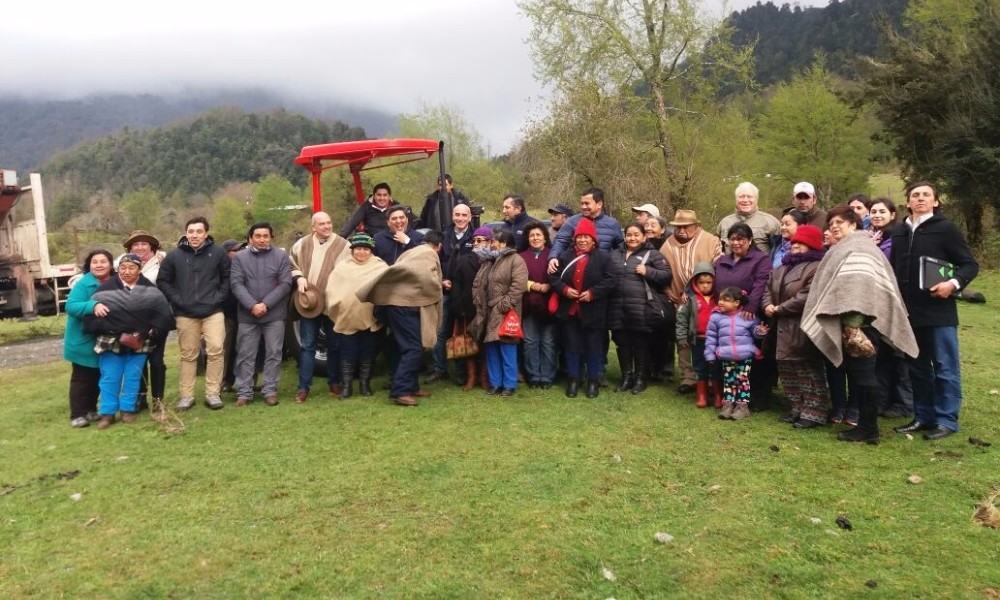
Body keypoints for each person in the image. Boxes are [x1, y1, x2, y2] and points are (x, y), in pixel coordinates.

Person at [803, 204, 918, 444]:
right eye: (831, 223)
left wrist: (853, 326)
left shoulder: (859, 248)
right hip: (853, 324)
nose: (834, 227)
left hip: (862, 326)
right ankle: (867, 426)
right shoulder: (847, 246)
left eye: (840, 223)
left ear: (854, 224)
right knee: (860, 376)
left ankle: (868, 429)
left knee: (864, 377)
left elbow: (858, 291)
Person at [890, 182, 979, 440]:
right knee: (917, 368)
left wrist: (951, 284)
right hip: (909, 312)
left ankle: (947, 420)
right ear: (907, 202)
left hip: (939, 311)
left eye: (926, 195)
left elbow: (969, 265)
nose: (920, 199)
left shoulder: (945, 229)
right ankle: (923, 416)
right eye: (915, 195)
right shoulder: (899, 232)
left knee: (945, 366)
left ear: (935, 202)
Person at [85, 254, 173, 429]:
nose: (127, 271)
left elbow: (163, 316)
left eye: (131, 268)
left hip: (139, 343)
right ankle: (108, 414)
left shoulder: (152, 291)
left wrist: (152, 330)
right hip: (110, 343)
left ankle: (127, 410)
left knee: (133, 377)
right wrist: (114, 330)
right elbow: (91, 318)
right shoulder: (103, 292)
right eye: (123, 268)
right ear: (118, 269)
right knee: (110, 377)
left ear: (139, 269)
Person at [157, 216, 230, 412]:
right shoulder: (174, 256)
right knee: (188, 354)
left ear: (206, 233)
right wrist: (179, 301)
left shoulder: (218, 253)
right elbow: (163, 281)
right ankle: (186, 396)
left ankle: (213, 394)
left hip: (213, 310)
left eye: (199, 231)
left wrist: (218, 298)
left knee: (216, 350)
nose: (195, 235)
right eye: (191, 231)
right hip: (185, 313)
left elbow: (227, 278)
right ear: (186, 232)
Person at [356, 243, 443, 406]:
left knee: (400, 345)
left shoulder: (411, 253)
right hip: (405, 307)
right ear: (438, 246)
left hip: (395, 305)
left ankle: (411, 386)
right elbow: (425, 277)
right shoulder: (429, 254)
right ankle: (400, 391)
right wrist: (437, 288)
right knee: (414, 348)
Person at [761, 224, 829, 428]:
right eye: (794, 242)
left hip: (802, 326)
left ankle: (814, 413)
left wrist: (780, 308)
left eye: (801, 243)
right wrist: (767, 306)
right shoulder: (781, 267)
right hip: (779, 327)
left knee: (807, 370)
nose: (795, 246)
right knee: (787, 370)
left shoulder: (816, 268)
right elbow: (767, 288)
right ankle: (796, 408)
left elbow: (807, 296)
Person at [548, 218, 617, 398]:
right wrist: (564, 289)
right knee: (572, 346)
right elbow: (554, 278)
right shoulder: (565, 256)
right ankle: (573, 379)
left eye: (587, 237)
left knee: (594, 347)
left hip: (594, 311)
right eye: (580, 237)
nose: (583, 240)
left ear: (593, 240)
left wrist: (593, 293)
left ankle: (593, 380)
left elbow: (611, 280)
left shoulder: (603, 257)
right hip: (570, 311)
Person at [288, 211, 351, 403]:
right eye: (322, 224)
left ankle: (334, 382)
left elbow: (349, 269)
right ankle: (303, 388)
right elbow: (291, 264)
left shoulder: (343, 245)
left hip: (332, 303)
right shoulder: (302, 244)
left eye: (329, 223)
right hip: (310, 303)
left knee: (335, 345)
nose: (326, 226)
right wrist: (299, 279)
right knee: (307, 346)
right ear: (313, 227)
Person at [230, 222, 293, 406]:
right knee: (245, 354)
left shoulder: (281, 256)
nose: (262, 239)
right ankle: (244, 392)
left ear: (271, 237)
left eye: (265, 236)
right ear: (251, 238)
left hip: (274, 314)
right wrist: (252, 305)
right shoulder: (240, 258)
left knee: (273, 353)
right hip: (248, 314)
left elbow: (285, 284)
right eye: (258, 236)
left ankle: (270, 390)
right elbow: (236, 284)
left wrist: (265, 304)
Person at [659, 209, 722, 392]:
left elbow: (720, 268)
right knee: (683, 339)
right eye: (677, 227)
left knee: (708, 338)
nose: (681, 230)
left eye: (685, 227)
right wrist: (666, 289)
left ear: (696, 226)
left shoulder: (711, 241)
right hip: (680, 300)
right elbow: (661, 271)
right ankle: (688, 377)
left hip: (707, 299)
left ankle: (709, 377)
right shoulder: (667, 245)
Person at [714, 222, 773, 411]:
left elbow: (762, 282)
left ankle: (755, 397)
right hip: (726, 314)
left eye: (741, 239)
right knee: (729, 358)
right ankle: (730, 396)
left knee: (750, 358)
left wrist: (753, 305)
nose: (736, 243)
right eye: (732, 239)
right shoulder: (722, 260)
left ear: (749, 241)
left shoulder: (760, 259)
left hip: (748, 315)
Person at [607, 222, 672, 394]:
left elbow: (666, 276)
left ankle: (640, 379)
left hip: (641, 307)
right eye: (629, 234)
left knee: (640, 344)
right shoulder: (615, 255)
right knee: (622, 343)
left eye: (636, 234)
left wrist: (648, 271)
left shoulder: (653, 254)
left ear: (644, 236)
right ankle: (626, 377)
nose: (632, 238)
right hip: (617, 307)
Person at [866, 197, 914, 418]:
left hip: (896, 301)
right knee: (881, 355)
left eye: (882, 211)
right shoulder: (871, 236)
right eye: (873, 211)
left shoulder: (898, 238)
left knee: (899, 354)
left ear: (892, 214)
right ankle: (881, 401)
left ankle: (904, 402)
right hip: (875, 302)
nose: (877, 215)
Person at [326, 233, 389, 398]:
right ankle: (347, 386)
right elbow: (332, 290)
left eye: (366, 249)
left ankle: (364, 384)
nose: (362, 252)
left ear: (371, 250)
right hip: (348, 318)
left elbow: (387, 289)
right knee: (348, 353)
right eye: (359, 249)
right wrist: (339, 306)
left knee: (367, 352)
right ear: (353, 250)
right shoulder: (342, 267)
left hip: (370, 318)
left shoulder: (380, 267)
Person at [471, 229, 528, 396]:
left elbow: (518, 287)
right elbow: (478, 282)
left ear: (503, 243)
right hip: (488, 311)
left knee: (507, 346)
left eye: (494, 240)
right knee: (491, 348)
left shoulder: (516, 260)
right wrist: (478, 300)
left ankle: (509, 384)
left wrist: (504, 305)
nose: (491, 243)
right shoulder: (490, 260)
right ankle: (495, 383)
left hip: (505, 311)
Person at [117, 230, 169, 410]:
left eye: (143, 244)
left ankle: (158, 399)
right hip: (133, 320)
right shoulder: (122, 263)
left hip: (157, 318)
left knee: (156, 360)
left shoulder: (163, 262)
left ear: (151, 246)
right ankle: (141, 398)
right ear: (129, 248)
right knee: (137, 358)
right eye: (135, 244)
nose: (139, 247)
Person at [63, 249, 114, 428]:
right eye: (95, 262)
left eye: (103, 261)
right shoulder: (84, 283)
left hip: (101, 339)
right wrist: (93, 305)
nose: (99, 265)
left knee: (97, 375)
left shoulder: (115, 282)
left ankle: (91, 410)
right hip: (82, 339)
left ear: (110, 264)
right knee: (81, 378)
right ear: (89, 265)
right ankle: (77, 414)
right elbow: (71, 306)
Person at [429, 203, 475, 385]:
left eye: (464, 215)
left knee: (463, 333)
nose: (460, 218)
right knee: (440, 332)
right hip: (446, 291)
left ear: (470, 217)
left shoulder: (477, 236)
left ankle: (462, 372)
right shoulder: (443, 236)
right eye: (457, 214)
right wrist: (441, 280)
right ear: (452, 216)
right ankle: (439, 369)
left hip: (466, 294)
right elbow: (432, 261)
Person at [704, 287, 764, 421]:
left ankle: (742, 408)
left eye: (726, 300)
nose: (721, 302)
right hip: (726, 356)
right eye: (720, 299)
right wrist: (710, 354)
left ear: (737, 303)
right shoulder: (716, 317)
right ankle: (728, 405)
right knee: (729, 381)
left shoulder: (747, 316)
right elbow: (711, 338)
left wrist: (759, 331)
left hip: (744, 356)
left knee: (742, 381)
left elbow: (755, 332)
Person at [452, 226, 493, 391]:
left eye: (480, 240)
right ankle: (471, 377)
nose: (476, 243)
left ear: (490, 243)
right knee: (469, 346)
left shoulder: (494, 260)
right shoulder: (464, 260)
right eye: (474, 241)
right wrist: (458, 307)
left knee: (485, 345)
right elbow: (456, 284)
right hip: (467, 310)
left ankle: (483, 377)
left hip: (488, 312)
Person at [676, 262, 720, 409]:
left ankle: (717, 394)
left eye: (709, 282)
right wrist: (682, 337)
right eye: (701, 282)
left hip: (716, 341)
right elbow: (681, 320)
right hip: (698, 340)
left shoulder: (720, 299)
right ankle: (701, 394)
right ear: (695, 282)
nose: (705, 286)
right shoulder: (690, 299)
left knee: (716, 367)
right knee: (700, 366)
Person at [519, 222, 557, 389]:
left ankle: (547, 376)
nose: (535, 238)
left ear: (545, 237)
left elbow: (560, 276)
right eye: (532, 236)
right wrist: (531, 285)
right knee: (530, 341)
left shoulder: (553, 256)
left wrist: (549, 285)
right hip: (528, 306)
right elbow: (516, 278)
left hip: (549, 306)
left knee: (548, 342)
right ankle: (533, 376)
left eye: (538, 235)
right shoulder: (521, 257)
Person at [548, 187, 624, 267]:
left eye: (587, 203)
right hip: (577, 270)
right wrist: (553, 257)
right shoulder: (571, 222)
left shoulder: (613, 224)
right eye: (582, 203)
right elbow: (561, 240)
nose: (583, 207)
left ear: (599, 204)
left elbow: (620, 248)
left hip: (602, 272)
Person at [717, 182, 781, 254]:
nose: (745, 200)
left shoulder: (770, 222)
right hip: (730, 264)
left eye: (749, 197)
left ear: (756, 199)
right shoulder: (725, 222)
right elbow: (717, 247)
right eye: (741, 196)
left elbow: (780, 250)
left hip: (760, 264)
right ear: (736, 199)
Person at [220, 239, 245, 393]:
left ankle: (240, 381)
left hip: (244, 316)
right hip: (227, 315)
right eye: (236, 250)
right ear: (227, 253)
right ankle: (222, 381)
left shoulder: (244, 267)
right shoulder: (221, 270)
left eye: (241, 249)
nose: (240, 252)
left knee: (241, 349)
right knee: (225, 349)